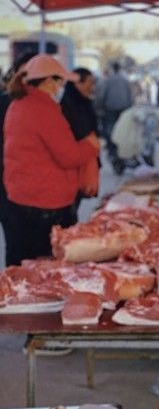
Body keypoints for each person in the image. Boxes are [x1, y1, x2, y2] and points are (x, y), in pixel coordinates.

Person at [3, 54, 99, 265]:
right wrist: (91, 145)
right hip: (45, 203)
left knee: (23, 263)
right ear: (48, 81)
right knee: (47, 264)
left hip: (21, 197)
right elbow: (69, 156)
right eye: (59, 81)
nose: (60, 87)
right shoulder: (43, 109)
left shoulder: (18, 104)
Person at [0, 52, 36, 266]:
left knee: (33, 245)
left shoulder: (44, 105)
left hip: (34, 187)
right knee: (16, 242)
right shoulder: (4, 104)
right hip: (7, 186)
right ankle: (13, 292)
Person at [60, 67, 100, 207]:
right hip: (77, 163)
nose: (92, 87)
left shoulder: (81, 101)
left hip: (83, 158)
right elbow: (82, 132)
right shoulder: (70, 105)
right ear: (78, 83)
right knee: (72, 204)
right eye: (90, 83)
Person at [96, 61, 133, 173]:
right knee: (123, 132)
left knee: (110, 132)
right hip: (123, 110)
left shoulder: (107, 81)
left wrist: (99, 108)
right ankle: (122, 153)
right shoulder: (125, 81)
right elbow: (130, 97)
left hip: (110, 110)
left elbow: (101, 96)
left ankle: (113, 153)